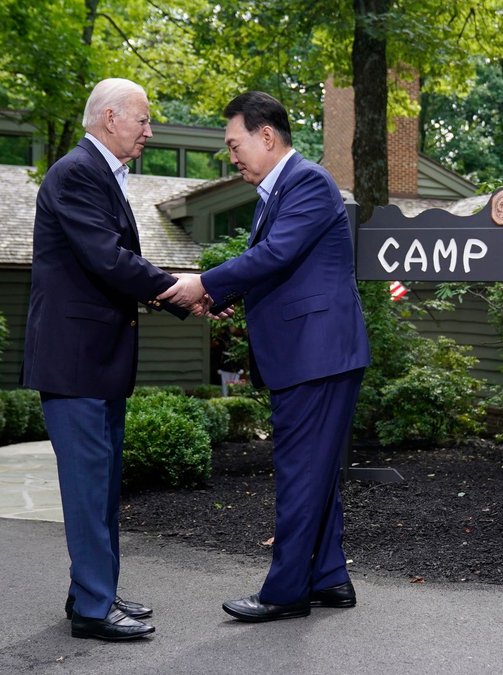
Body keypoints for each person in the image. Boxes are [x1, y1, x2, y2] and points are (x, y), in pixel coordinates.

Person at [158, 91, 371, 622]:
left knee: (300, 473)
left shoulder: (308, 182)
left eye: (235, 144)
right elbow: (273, 265)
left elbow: (275, 254)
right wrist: (221, 297)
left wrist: (203, 284)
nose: (231, 156)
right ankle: (329, 578)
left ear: (267, 136)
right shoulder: (276, 193)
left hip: (316, 355)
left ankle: (285, 591)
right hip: (311, 354)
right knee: (316, 471)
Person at [22, 77, 198, 641]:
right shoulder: (76, 173)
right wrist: (179, 291)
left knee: (100, 487)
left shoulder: (100, 175)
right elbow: (108, 259)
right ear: (110, 118)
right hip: (76, 363)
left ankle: (91, 593)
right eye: (143, 120)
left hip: (98, 362)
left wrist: (179, 297)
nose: (149, 131)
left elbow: (110, 264)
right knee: (87, 489)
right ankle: (94, 611)